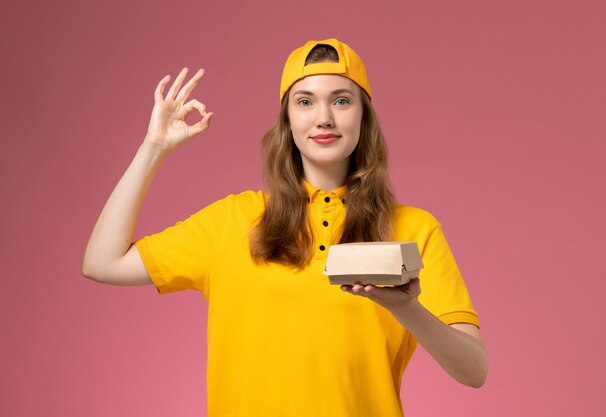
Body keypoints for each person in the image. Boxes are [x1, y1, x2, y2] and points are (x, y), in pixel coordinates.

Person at [83, 38, 488, 416]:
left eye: (342, 100)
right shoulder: (233, 221)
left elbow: (473, 370)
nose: (324, 117)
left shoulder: (414, 229)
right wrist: (153, 147)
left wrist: (406, 307)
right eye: (305, 101)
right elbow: (103, 263)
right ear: (288, 119)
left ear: (363, 116)